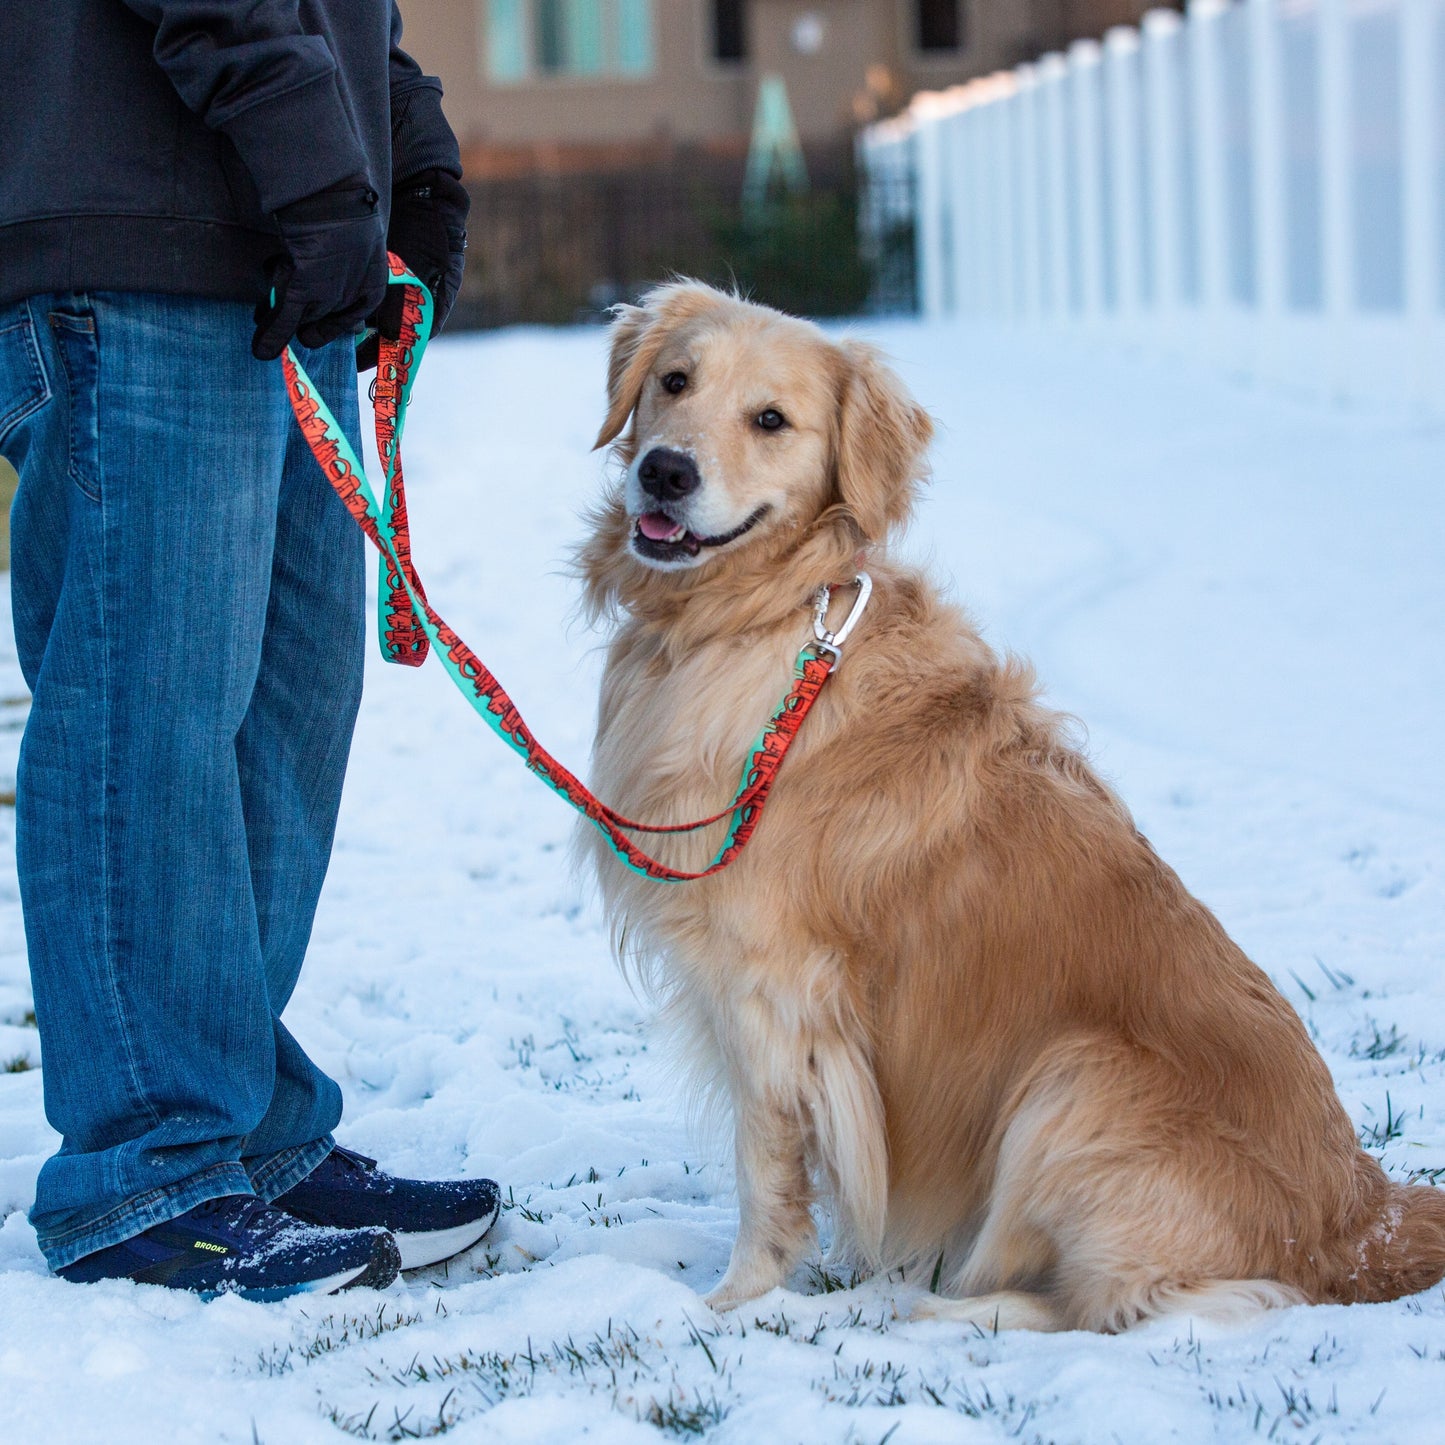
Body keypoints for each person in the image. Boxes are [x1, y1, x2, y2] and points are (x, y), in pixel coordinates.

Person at [0, 0, 498, 1298]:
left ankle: (238, 1122)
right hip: (136, 234)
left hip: (288, 249)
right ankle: (146, 1167)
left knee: (283, 718)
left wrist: (409, 155)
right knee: (141, 718)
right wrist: (321, 171)